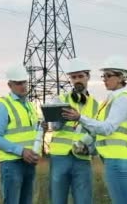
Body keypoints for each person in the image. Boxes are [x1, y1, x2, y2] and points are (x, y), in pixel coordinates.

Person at [62, 56, 127, 204]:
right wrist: (85, 145)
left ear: (121, 77)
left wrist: (80, 117)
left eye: (109, 75)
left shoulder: (122, 99)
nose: (104, 79)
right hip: (113, 159)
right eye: (104, 75)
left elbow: (107, 129)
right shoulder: (111, 100)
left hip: (118, 159)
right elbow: (98, 131)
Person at [49, 58, 99, 204]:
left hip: (82, 159)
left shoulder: (97, 105)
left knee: (84, 200)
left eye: (80, 76)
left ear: (88, 77)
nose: (77, 80)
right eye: (73, 77)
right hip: (60, 157)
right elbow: (54, 126)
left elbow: (99, 133)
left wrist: (90, 149)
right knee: (57, 200)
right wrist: (61, 117)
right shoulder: (59, 99)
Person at [0, 64, 41, 204]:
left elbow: (29, 133)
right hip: (12, 164)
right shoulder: (3, 105)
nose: (23, 86)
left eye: (24, 82)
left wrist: (41, 128)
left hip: (29, 162)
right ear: (10, 85)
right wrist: (21, 151)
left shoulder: (30, 106)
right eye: (18, 83)